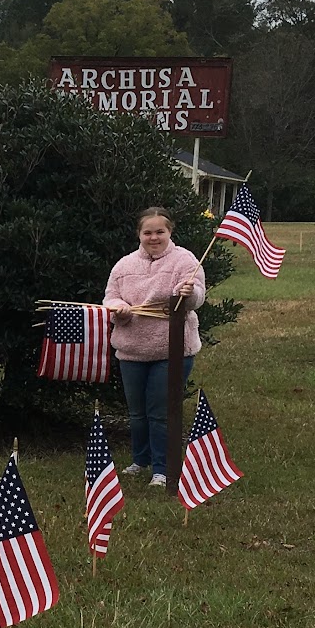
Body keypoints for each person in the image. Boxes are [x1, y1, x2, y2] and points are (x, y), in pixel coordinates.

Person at [103, 207, 206, 487]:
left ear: (170, 232)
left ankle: (162, 469)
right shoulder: (123, 266)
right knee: (137, 413)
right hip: (131, 350)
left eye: (160, 231)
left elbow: (197, 297)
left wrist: (189, 293)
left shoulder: (185, 260)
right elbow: (110, 298)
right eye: (147, 232)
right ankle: (141, 460)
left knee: (160, 413)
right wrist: (119, 309)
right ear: (139, 234)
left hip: (172, 350)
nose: (154, 237)